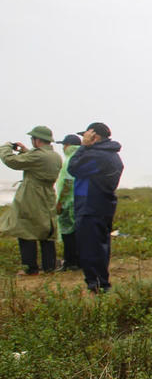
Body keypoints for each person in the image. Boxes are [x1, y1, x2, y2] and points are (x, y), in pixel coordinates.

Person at [68, 122, 123, 293]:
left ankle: (97, 284)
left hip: (90, 206)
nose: (83, 139)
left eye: (86, 135)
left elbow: (73, 168)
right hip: (103, 205)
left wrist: (83, 147)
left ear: (94, 136)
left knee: (89, 248)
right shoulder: (112, 155)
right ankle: (100, 283)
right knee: (100, 246)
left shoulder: (96, 155)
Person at [0, 126, 62, 276]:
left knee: (26, 229)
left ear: (37, 139)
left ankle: (30, 268)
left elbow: (11, 161)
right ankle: (49, 267)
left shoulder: (38, 156)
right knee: (47, 231)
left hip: (32, 195)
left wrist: (5, 147)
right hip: (47, 194)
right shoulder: (55, 156)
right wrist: (25, 151)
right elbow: (37, 161)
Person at [54, 134, 81, 270]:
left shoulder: (71, 160)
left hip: (69, 202)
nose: (63, 148)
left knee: (68, 233)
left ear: (68, 146)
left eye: (64, 145)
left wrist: (60, 202)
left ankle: (70, 262)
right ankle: (78, 260)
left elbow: (68, 183)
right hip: (80, 200)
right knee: (77, 232)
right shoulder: (83, 157)